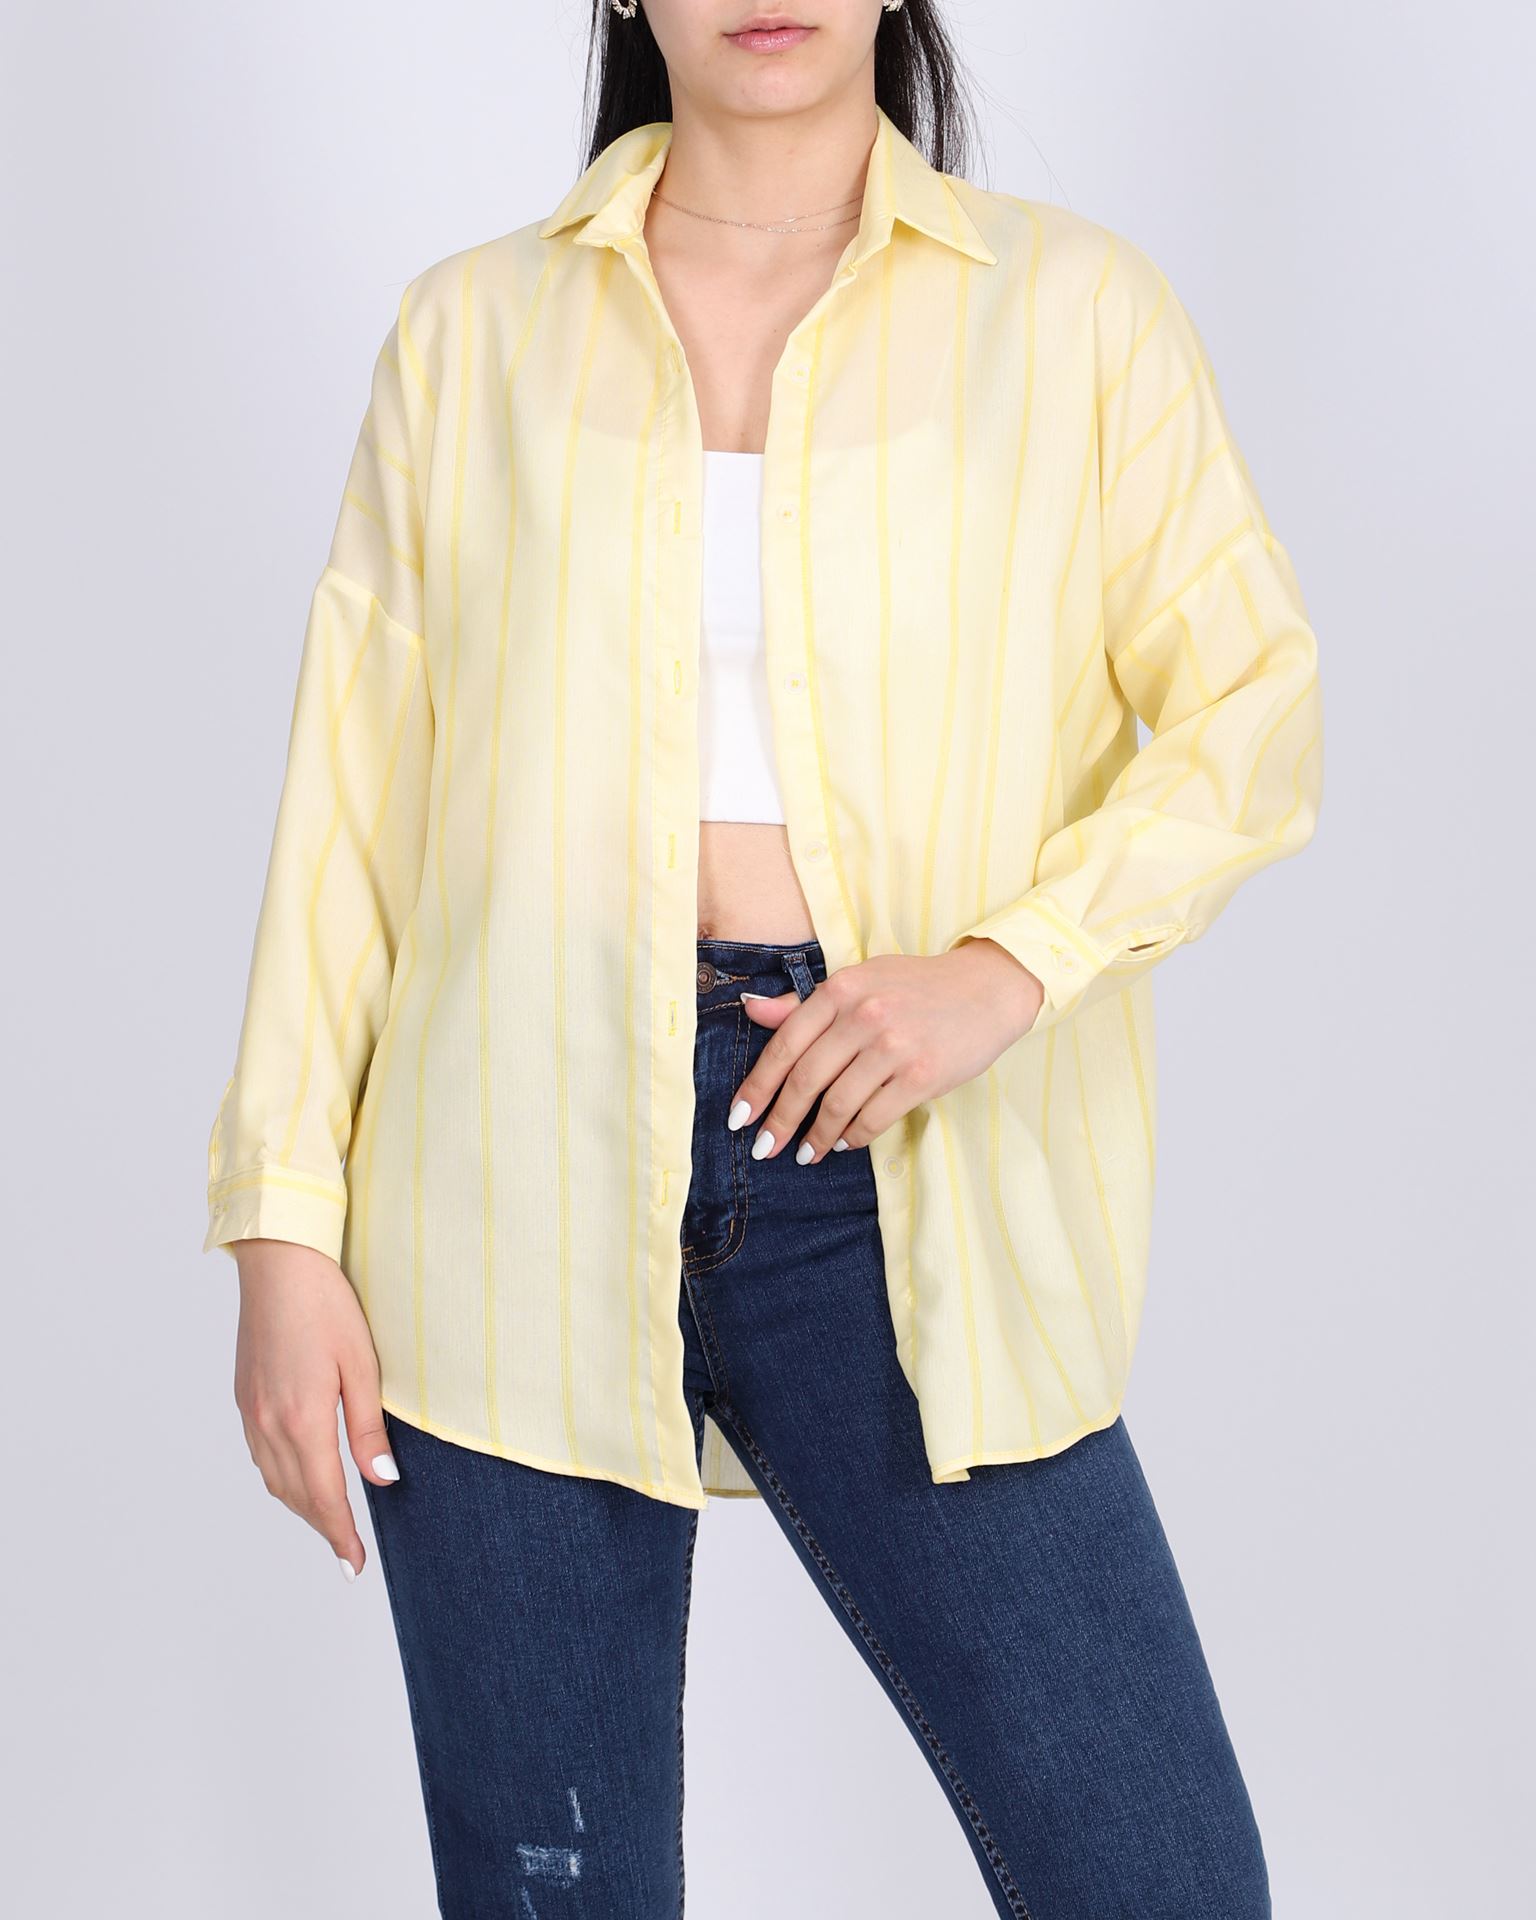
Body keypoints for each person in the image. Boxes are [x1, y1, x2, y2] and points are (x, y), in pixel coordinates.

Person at [204, 2, 1323, 1914]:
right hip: (501, 1184)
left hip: (898, 1170)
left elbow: (1252, 708)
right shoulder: (472, 332)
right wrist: (283, 1229)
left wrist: (1009, 965)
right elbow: (352, 805)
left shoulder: (1073, 313)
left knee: (1159, 1877)